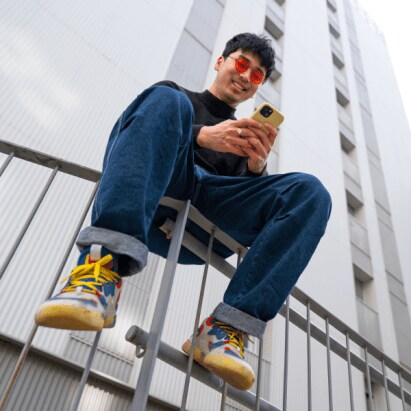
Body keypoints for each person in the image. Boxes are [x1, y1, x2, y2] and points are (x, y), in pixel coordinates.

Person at [35, 33, 332, 391]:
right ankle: (101, 272)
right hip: (162, 195)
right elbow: (134, 138)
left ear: (257, 89)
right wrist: (201, 136)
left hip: (210, 220)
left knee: (312, 193)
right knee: (165, 97)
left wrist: (256, 168)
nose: (245, 76)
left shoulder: (245, 135)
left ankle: (225, 330)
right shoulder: (177, 101)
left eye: (256, 76)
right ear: (219, 62)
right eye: (241, 63)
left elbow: (263, 212)